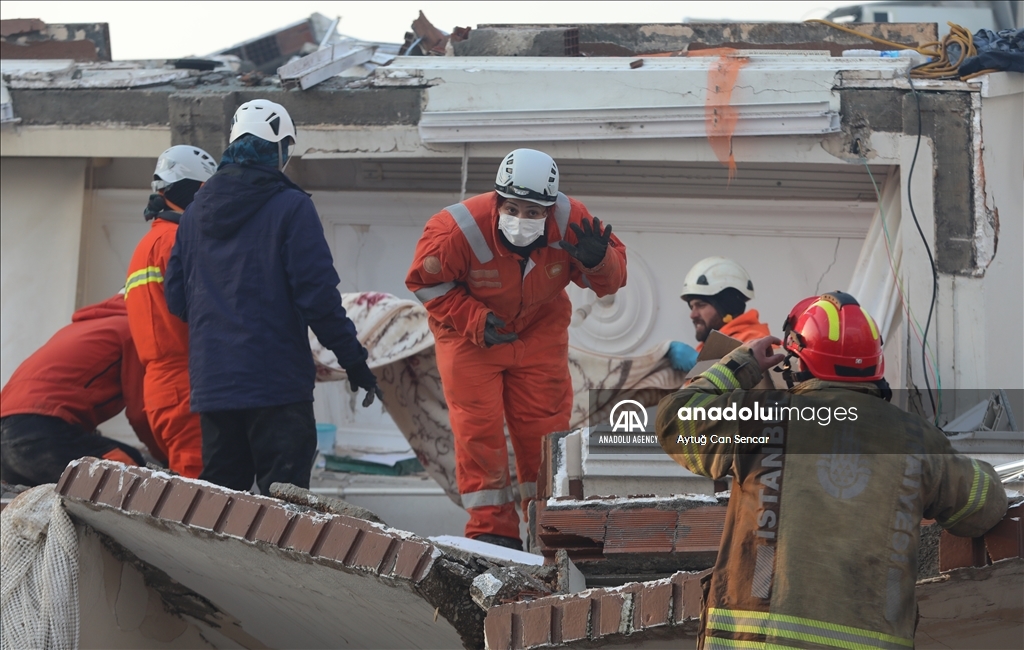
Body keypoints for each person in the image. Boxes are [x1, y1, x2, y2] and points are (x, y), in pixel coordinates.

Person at [656, 291, 1007, 647]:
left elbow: (673, 420)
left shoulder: (763, 417)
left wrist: (741, 364)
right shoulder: (916, 440)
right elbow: (985, 506)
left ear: (797, 361)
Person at [406, 148, 628, 550]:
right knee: (477, 430)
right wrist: (475, 320)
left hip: (538, 329)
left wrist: (600, 262)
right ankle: (492, 530)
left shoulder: (573, 221)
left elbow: (611, 280)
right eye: (512, 208)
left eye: (533, 212)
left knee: (545, 431)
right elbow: (426, 283)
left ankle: (547, 523)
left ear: (549, 209)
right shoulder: (457, 229)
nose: (521, 219)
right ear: (497, 200)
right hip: (470, 337)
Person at [164, 99, 380, 495]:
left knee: (218, 507)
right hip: (276, 386)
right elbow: (317, 297)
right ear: (278, 149)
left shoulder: (193, 214)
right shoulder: (291, 207)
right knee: (285, 508)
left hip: (214, 386)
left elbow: (177, 299)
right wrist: (354, 361)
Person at [0, 295, 163, 485]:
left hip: (9, 438)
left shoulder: (82, 327)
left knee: (41, 502)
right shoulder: (133, 331)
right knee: (136, 478)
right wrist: (167, 458)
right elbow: (142, 413)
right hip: (42, 433)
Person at [125, 145, 217, 479]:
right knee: (201, 496)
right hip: (186, 385)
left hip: (161, 389)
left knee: (191, 492)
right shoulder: (178, 240)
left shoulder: (148, 244)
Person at [666, 256, 770, 373]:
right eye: (692, 306)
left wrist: (700, 366)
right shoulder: (709, 347)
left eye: (701, 305)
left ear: (728, 306)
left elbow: (751, 378)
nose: (693, 315)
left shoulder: (756, 343)